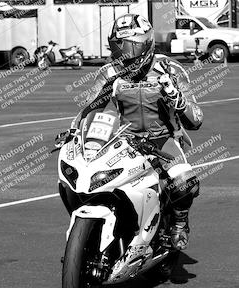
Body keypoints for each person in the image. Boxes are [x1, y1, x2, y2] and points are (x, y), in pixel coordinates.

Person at [57, 14, 203, 250]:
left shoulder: (170, 68)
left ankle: (178, 222)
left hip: (162, 139)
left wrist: (177, 99)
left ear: (147, 44)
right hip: (122, 141)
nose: (124, 54)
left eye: (130, 46)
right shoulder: (109, 72)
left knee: (184, 181)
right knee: (79, 178)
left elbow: (196, 119)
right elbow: (89, 108)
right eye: (118, 46)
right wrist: (74, 133)